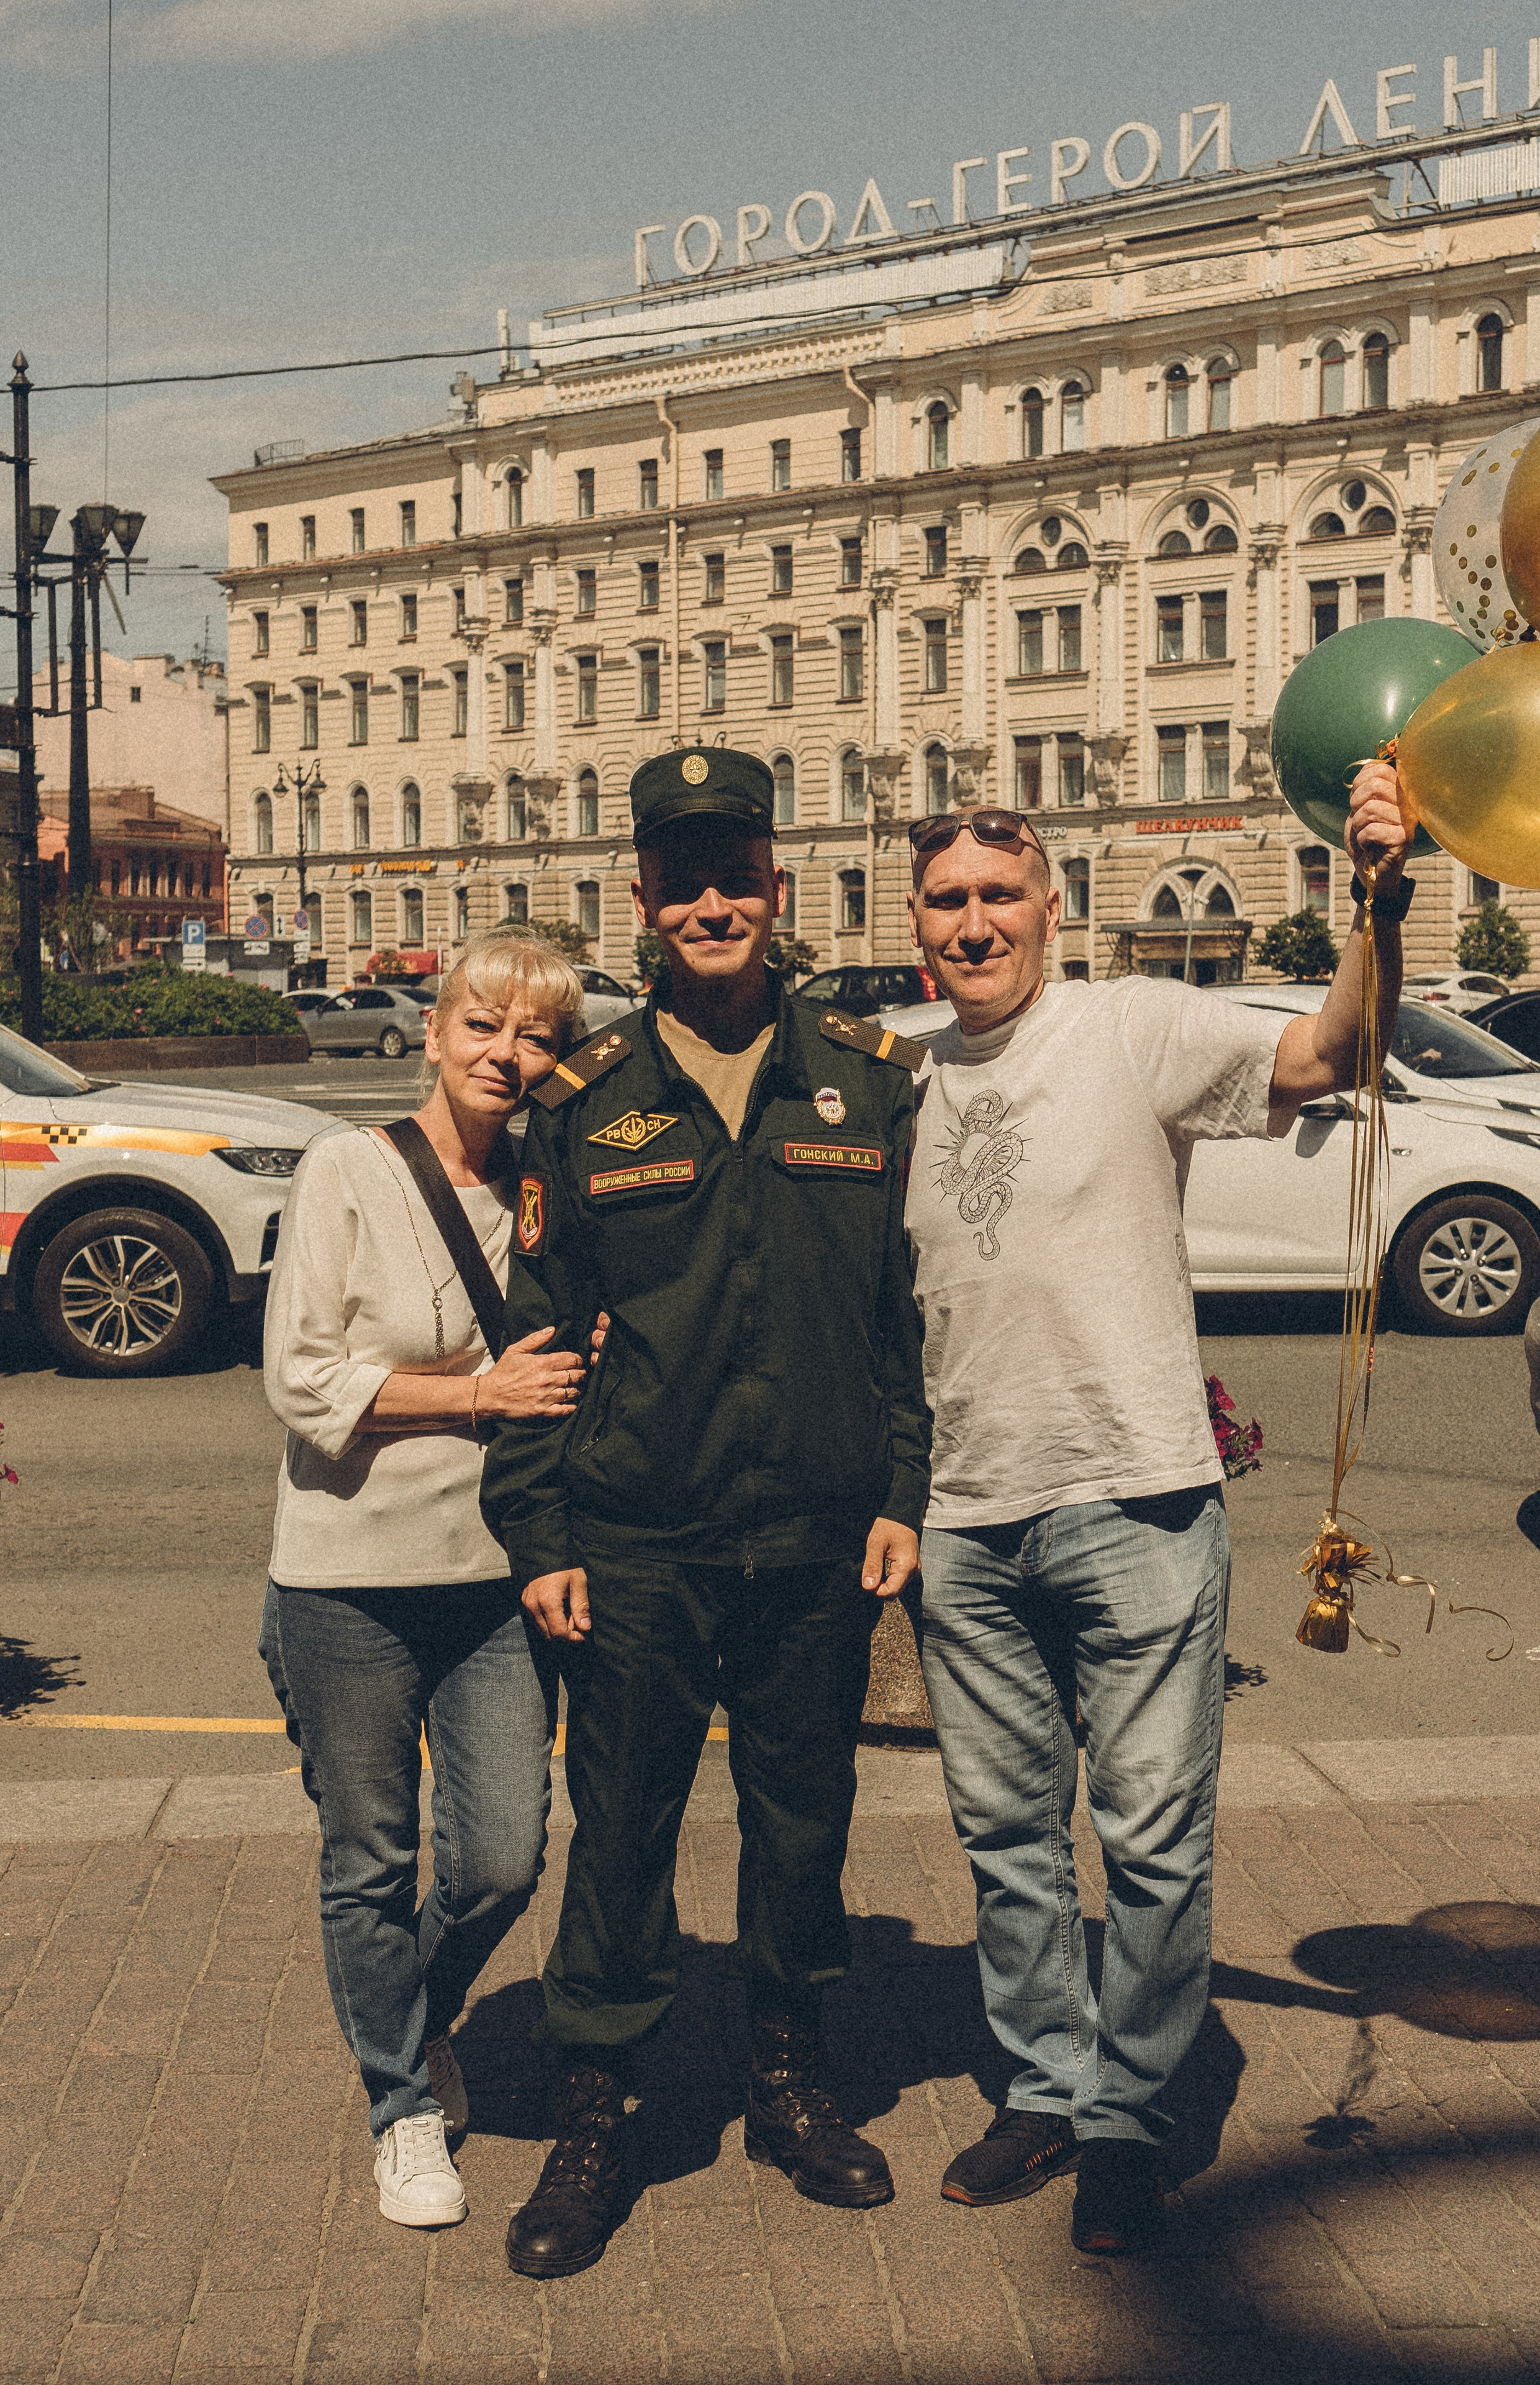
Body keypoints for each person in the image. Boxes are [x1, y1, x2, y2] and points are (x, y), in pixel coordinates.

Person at [904, 763, 1410, 2255]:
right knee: (1003, 1837)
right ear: (913, 920)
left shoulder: (1128, 1025)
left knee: (1150, 1842)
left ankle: (1125, 2115)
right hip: (964, 1516)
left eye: (1002, 895)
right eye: (947, 900)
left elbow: (1330, 1055)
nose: (976, 923)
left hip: (1132, 1495)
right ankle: (1045, 2089)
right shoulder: (897, 1072)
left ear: (1050, 908)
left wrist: (1373, 898)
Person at [481, 744, 931, 2278]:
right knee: (620, 1835)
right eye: (683, 876)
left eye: (737, 870)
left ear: (778, 886)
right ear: (641, 901)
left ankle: (788, 2080)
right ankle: (597, 2113)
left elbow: (899, 1323)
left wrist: (900, 1494)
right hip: (637, 1541)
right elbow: (538, 1340)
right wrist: (538, 1537)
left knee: (801, 1825)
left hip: (815, 1536)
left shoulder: (867, 1080)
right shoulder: (587, 1098)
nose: (713, 900)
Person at [260, 929, 591, 2231]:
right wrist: (479, 1394)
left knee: (505, 1852)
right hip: (345, 1573)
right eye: (485, 1025)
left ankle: (413, 2009)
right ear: (437, 1027)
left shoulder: (549, 1188)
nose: (508, 1055)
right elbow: (299, 1379)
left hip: (494, 1571)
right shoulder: (349, 1167)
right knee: (369, 1856)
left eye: (539, 1037)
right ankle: (401, 2104)